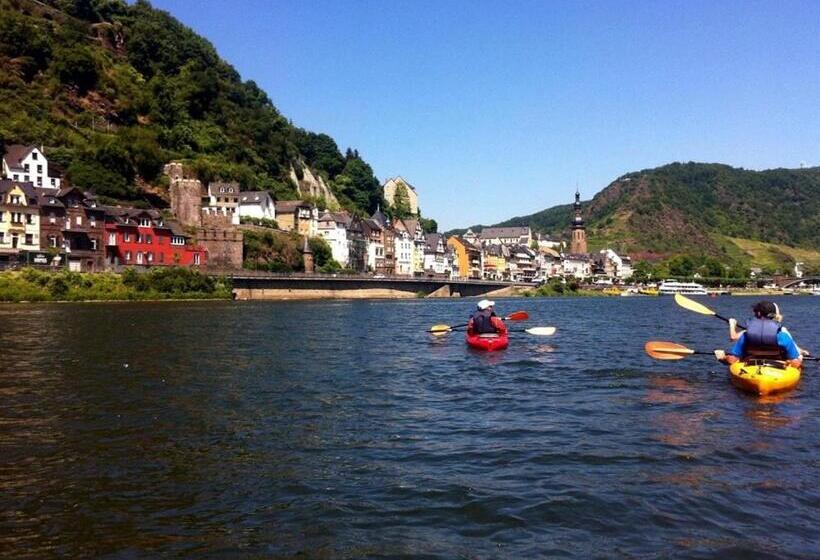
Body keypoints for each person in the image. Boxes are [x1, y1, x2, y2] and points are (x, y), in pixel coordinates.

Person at [715, 301, 804, 368]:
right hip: (777, 369)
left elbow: (732, 360)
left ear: (758, 313)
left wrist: (722, 358)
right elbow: (795, 363)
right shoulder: (783, 336)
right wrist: (796, 360)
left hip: (750, 367)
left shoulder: (746, 336)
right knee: (799, 357)